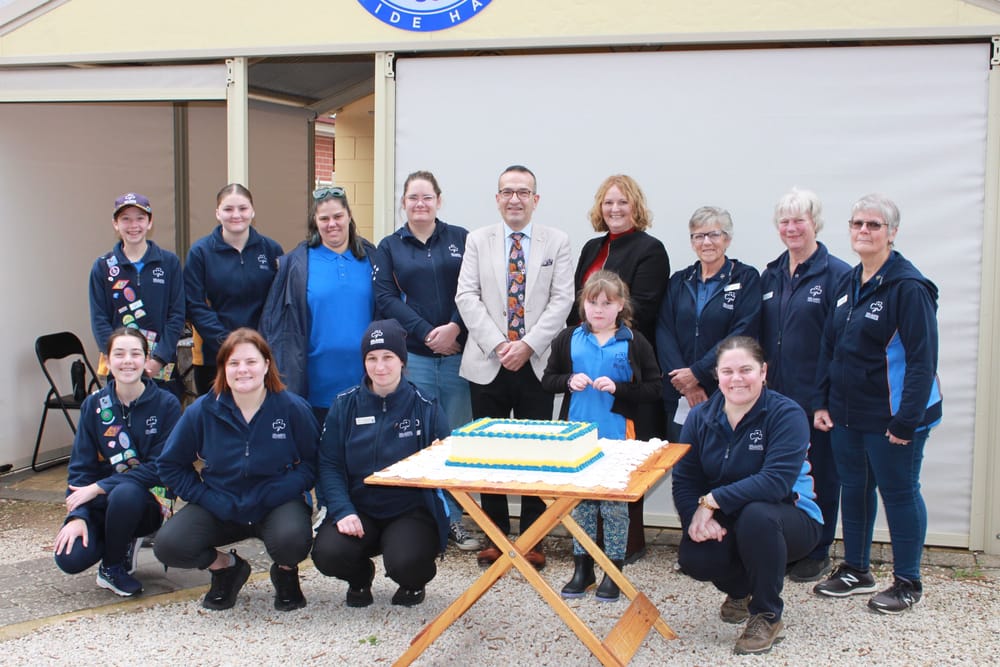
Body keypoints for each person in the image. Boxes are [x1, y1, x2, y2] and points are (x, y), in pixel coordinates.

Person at [812, 194, 942, 614]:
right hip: (848, 413)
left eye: (873, 225)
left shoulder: (908, 287)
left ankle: (907, 581)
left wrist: (907, 421)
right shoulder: (850, 281)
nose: (864, 232)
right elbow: (830, 347)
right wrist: (822, 401)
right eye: (857, 224)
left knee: (900, 492)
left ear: (892, 233)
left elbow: (922, 361)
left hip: (894, 416)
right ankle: (856, 569)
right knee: (855, 487)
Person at [455, 165, 574, 570]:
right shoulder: (477, 241)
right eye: (507, 191)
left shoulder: (557, 242)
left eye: (523, 192)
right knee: (489, 454)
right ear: (497, 198)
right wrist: (500, 344)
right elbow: (466, 296)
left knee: (534, 456)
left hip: (538, 363)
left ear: (535, 199)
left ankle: (533, 540)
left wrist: (526, 344)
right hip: (488, 362)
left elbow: (562, 301)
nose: (515, 199)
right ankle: (493, 537)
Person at [673, 336, 823, 655]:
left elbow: (776, 482)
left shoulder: (786, 414)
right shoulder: (700, 417)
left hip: (789, 517)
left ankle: (767, 614)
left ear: (763, 371)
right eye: (728, 371)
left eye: (746, 369)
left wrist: (710, 502)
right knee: (694, 557)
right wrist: (694, 520)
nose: (737, 379)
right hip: (733, 515)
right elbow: (685, 479)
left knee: (757, 516)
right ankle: (741, 590)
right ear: (716, 374)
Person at [153, 328, 319, 612]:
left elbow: (313, 463)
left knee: (292, 541)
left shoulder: (292, 408)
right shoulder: (202, 411)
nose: (243, 370)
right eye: (234, 363)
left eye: (251, 362)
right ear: (223, 369)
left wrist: (276, 491)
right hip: (222, 503)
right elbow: (170, 465)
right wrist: (207, 496)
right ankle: (227, 569)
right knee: (170, 545)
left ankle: (286, 572)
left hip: (275, 502)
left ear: (267, 364)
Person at [373, 170, 480, 552]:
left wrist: (452, 328)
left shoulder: (461, 239)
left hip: (456, 356)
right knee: (416, 440)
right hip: (415, 357)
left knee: (455, 439)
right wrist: (426, 334)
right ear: (403, 202)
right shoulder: (389, 247)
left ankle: (456, 520)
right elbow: (385, 298)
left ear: (438, 200)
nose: (420, 204)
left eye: (427, 197)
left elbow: (474, 289)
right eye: (413, 198)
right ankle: (421, 523)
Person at [311, 319, 450, 608]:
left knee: (406, 562)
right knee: (328, 554)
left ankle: (412, 582)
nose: (380, 366)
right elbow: (329, 465)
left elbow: (446, 462)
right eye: (372, 358)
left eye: (388, 357)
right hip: (359, 509)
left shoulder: (425, 406)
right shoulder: (344, 405)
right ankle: (360, 576)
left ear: (402, 360)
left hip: (409, 511)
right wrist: (343, 510)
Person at [541, 271, 661, 602]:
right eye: (592, 302)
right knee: (580, 504)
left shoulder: (634, 341)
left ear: (620, 306)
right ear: (583, 305)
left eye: (606, 303)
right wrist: (568, 380)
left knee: (613, 506)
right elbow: (547, 379)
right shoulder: (569, 338)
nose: (598, 309)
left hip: (618, 434)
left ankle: (613, 571)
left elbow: (655, 387)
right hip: (577, 433)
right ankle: (583, 569)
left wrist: (620, 388)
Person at [569, 174, 670, 564]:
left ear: (636, 207)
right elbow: (580, 304)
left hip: (622, 366)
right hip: (585, 366)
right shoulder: (592, 247)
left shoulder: (651, 249)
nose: (614, 209)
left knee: (623, 458)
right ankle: (586, 545)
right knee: (587, 455)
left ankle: (626, 545)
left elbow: (642, 306)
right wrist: (572, 344)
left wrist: (601, 336)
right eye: (608, 202)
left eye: (622, 203)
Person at [759, 188, 851, 583]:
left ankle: (819, 549)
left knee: (822, 474)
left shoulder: (838, 274)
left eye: (800, 220)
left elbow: (841, 343)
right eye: (785, 221)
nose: (792, 227)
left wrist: (823, 400)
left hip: (815, 399)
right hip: (775, 398)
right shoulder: (771, 273)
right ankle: (792, 544)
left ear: (815, 223)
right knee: (781, 471)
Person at [53, 328, 182, 597]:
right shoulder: (94, 405)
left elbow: (161, 467)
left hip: (148, 500)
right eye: (119, 354)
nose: (127, 361)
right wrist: (77, 516)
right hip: (102, 501)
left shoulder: (166, 404)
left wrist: (101, 486)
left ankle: (112, 567)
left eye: (135, 354)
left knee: (125, 494)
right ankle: (119, 538)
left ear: (146, 361)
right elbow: (81, 467)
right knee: (70, 558)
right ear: (107, 361)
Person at [260, 186, 376, 423]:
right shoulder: (296, 264)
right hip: (314, 390)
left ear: (349, 217)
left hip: (368, 384)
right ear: (315, 221)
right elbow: (276, 326)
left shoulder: (372, 258)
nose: (332, 224)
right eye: (324, 218)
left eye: (338, 216)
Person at [655, 206, 760, 442]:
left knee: (725, 466)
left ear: (727, 239)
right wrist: (687, 384)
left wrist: (698, 373)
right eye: (699, 236)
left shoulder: (745, 279)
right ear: (692, 242)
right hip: (681, 396)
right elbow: (664, 331)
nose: (707, 242)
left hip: (725, 392)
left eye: (714, 234)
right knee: (683, 469)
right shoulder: (679, 281)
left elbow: (742, 333)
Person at [184, 183, 283, 395]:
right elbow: (195, 304)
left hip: (260, 355)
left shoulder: (271, 250)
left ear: (253, 211)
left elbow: (277, 302)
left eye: (243, 208)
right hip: (214, 356)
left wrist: (257, 345)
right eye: (228, 209)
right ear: (217, 213)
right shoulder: (200, 253)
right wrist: (226, 344)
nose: (236, 215)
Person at [89, 192, 185, 396]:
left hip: (161, 366)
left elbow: (177, 315)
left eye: (140, 218)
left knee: (165, 423)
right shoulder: (103, 267)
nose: (134, 225)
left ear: (150, 223)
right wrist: (119, 359)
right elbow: (99, 320)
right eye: (126, 219)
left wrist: (158, 359)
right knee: (122, 425)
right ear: (115, 224)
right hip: (120, 369)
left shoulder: (169, 263)